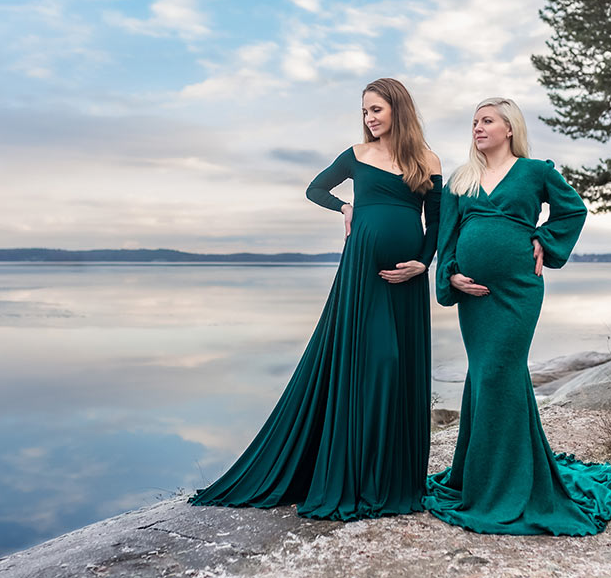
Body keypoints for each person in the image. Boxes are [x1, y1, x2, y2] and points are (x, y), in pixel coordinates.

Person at [189, 78, 442, 520]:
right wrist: (345, 207)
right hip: (363, 275)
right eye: (365, 111)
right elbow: (315, 189)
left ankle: (396, 478)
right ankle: (360, 475)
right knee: (377, 362)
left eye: (377, 109)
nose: (369, 118)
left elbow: (437, 223)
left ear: (398, 109)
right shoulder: (356, 155)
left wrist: (423, 262)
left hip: (409, 281)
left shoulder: (427, 159)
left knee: (401, 369)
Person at [424, 97, 611, 535]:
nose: (478, 128)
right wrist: (451, 276)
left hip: (518, 291)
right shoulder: (462, 180)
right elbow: (447, 239)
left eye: (487, 121)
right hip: (475, 298)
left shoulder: (536, 171)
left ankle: (505, 485)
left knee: (500, 371)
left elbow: (573, 210)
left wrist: (544, 239)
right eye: (474, 122)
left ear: (509, 128)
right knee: (486, 373)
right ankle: (482, 478)